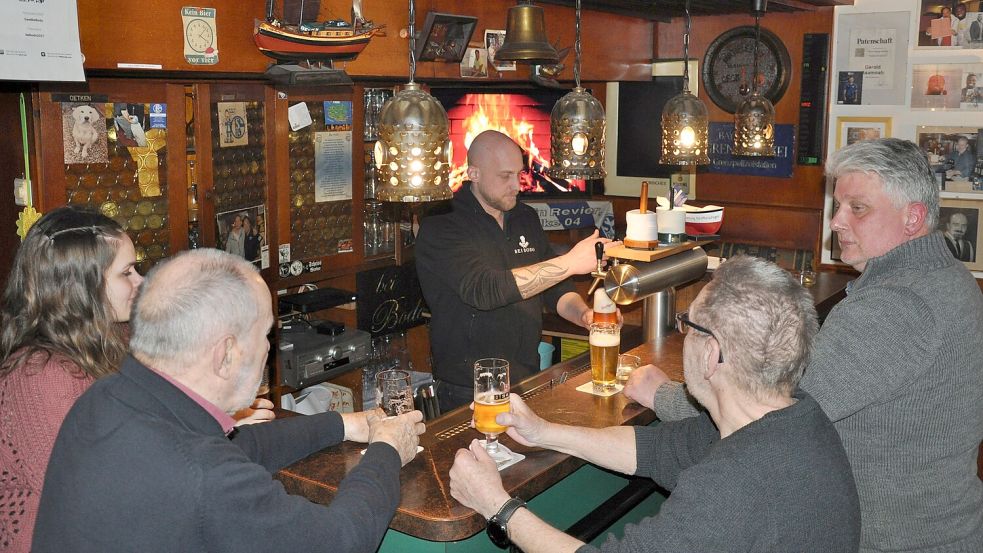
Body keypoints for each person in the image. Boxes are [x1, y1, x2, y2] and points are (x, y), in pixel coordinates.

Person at [627, 138, 983, 553]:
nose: (836, 221)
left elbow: (772, 413)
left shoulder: (896, 306)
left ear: (913, 217)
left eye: (858, 208)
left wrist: (663, 396)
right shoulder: (949, 277)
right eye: (838, 205)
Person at [449, 256, 860, 553]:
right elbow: (651, 449)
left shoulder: (733, 484)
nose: (683, 336)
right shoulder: (789, 417)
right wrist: (544, 431)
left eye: (689, 326)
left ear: (712, 354)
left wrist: (498, 507)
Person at [33, 249, 426, 552]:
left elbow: (241, 447)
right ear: (225, 354)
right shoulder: (205, 477)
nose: (269, 350)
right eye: (266, 336)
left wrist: (343, 424)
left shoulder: (107, 397)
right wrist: (386, 450)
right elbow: (341, 540)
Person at [415, 130, 619, 411]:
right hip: (466, 389)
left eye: (519, 174)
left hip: (526, 377)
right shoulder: (442, 224)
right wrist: (571, 262)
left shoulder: (525, 217)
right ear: (473, 173)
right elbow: (485, 290)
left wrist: (583, 315)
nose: (517, 185)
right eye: (505, 176)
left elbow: (554, 287)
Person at [0, 207, 142, 553]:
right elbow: (87, 498)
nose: (140, 281)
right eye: (127, 272)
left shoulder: (114, 337)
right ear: (81, 287)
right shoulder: (39, 376)